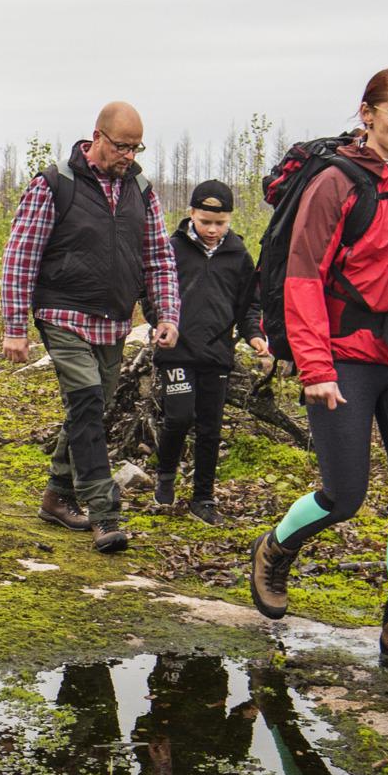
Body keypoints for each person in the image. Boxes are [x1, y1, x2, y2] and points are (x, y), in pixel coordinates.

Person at [247, 69, 388, 675]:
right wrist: (314, 366)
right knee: (345, 495)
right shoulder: (337, 183)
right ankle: (274, 547)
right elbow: (303, 276)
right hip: (343, 359)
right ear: (367, 114)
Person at [0, 102, 181, 553]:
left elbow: (158, 258)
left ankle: (56, 498)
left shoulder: (141, 188)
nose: (129, 155)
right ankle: (105, 515)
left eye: (137, 147)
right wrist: (14, 327)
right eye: (122, 146)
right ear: (97, 136)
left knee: (91, 410)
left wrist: (167, 315)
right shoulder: (54, 183)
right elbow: (20, 259)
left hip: (114, 320)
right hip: (63, 313)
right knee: (84, 401)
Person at [153, 180, 270, 524]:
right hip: (176, 351)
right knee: (178, 417)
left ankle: (203, 498)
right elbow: (153, 291)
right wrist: (159, 320)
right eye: (206, 222)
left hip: (216, 354)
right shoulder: (171, 249)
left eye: (220, 223)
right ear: (191, 214)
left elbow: (249, 304)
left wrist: (253, 335)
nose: (213, 229)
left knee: (210, 428)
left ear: (230, 219)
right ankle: (166, 474)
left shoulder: (238, 256)